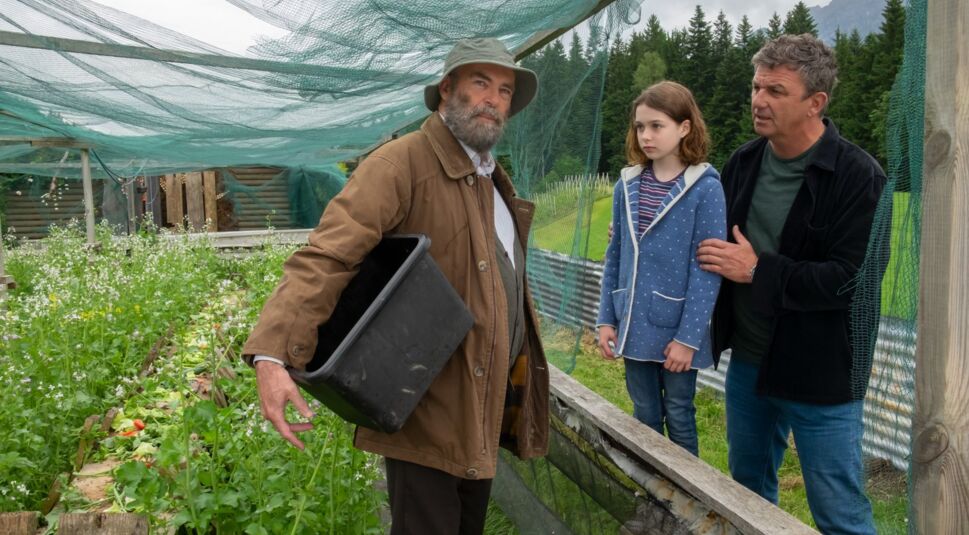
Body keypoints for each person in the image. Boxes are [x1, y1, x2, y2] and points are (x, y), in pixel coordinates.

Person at [241, 37, 550, 535]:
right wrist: (273, 355)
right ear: (447, 89)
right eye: (480, 83)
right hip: (425, 408)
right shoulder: (400, 164)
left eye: (505, 90)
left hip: (481, 409)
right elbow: (328, 255)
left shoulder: (491, 180)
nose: (493, 99)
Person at [697, 34, 885, 534]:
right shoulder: (743, 162)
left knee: (839, 513)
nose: (759, 100)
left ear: (815, 103)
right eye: (757, 87)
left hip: (822, 373)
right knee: (747, 494)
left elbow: (850, 281)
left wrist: (759, 270)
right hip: (751, 365)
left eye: (776, 91)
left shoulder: (857, 176)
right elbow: (711, 243)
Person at [596, 81, 726, 457]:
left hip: (676, 330)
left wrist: (688, 339)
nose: (646, 136)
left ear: (684, 127)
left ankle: (688, 503)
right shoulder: (627, 184)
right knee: (645, 415)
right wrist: (607, 319)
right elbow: (615, 254)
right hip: (635, 325)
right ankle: (652, 498)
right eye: (640, 127)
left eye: (657, 126)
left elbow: (706, 271)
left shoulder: (704, 188)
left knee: (679, 414)